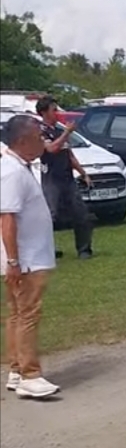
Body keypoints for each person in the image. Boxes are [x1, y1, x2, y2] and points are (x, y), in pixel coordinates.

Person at [1, 115, 61, 398]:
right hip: (26, 259)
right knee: (28, 315)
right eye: (39, 137)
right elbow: (7, 219)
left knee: (17, 313)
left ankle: (16, 370)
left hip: (27, 257)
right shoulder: (12, 172)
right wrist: (14, 261)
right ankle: (30, 374)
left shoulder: (19, 167)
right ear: (23, 141)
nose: (43, 142)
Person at [36, 96, 94, 259]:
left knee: (81, 213)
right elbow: (51, 149)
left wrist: (83, 173)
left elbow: (69, 155)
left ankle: (84, 249)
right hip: (51, 179)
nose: (57, 113)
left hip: (68, 178)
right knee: (50, 216)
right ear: (44, 112)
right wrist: (67, 132)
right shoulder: (41, 131)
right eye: (53, 110)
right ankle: (46, 249)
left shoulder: (59, 130)